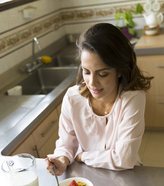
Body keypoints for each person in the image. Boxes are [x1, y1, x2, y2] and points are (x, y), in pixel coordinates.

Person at [45, 23, 153, 175]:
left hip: (125, 175)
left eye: (102, 74)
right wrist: (62, 159)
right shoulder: (72, 98)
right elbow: (66, 143)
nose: (92, 83)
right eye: (87, 72)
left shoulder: (133, 99)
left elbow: (125, 159)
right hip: (88, 175)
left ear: (119, 70)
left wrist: (82, 156)